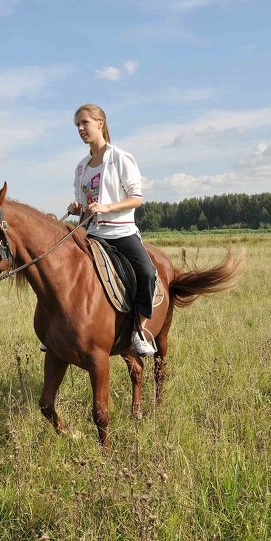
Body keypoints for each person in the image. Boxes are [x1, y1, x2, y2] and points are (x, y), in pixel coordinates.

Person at [68, 104, 156, 357]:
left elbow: (136, 198)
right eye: (77, 125)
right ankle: (58, 332)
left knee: (147, 273)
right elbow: (86, 204)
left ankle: (139, 331)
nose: (81, 129)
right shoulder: (81, 167)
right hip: (91, 233)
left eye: (84, 123)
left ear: (100, 123)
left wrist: (107, 207)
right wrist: (78, 208)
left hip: (121, 232)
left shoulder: (121, 158)